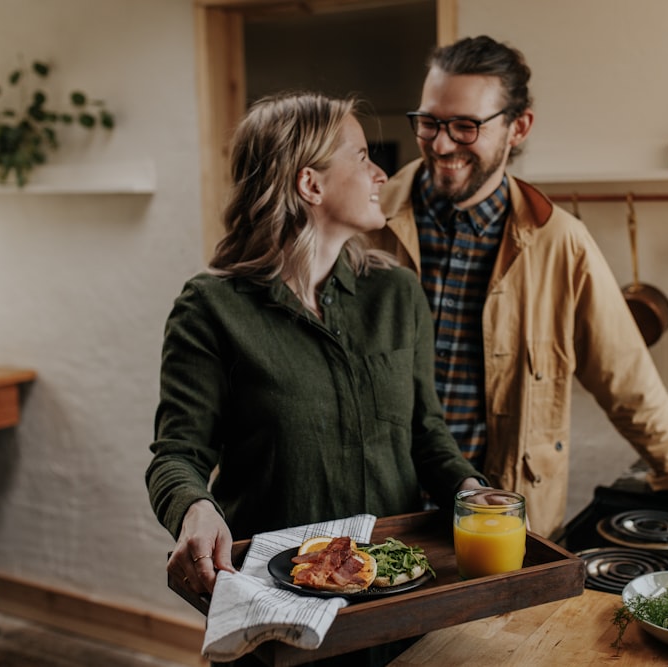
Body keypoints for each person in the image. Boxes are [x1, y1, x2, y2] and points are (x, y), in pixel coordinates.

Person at [368, 36, 668, 538]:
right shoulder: (366, 220)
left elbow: (623, 371)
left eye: (466, 126)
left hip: (502, 517)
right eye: (429, 122)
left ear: (519, 127)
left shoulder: (561, 243)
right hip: (383, 507)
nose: (442, 143)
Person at [145, 91, 489, 606]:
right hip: (274, 595)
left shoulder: (397, 293)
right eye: (363, 156)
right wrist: (195, 507)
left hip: (396, 589)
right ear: (310, 183)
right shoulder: (209, 308)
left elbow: (425, 432)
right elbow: (177, 454)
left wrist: (470, 492)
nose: (381, 175)